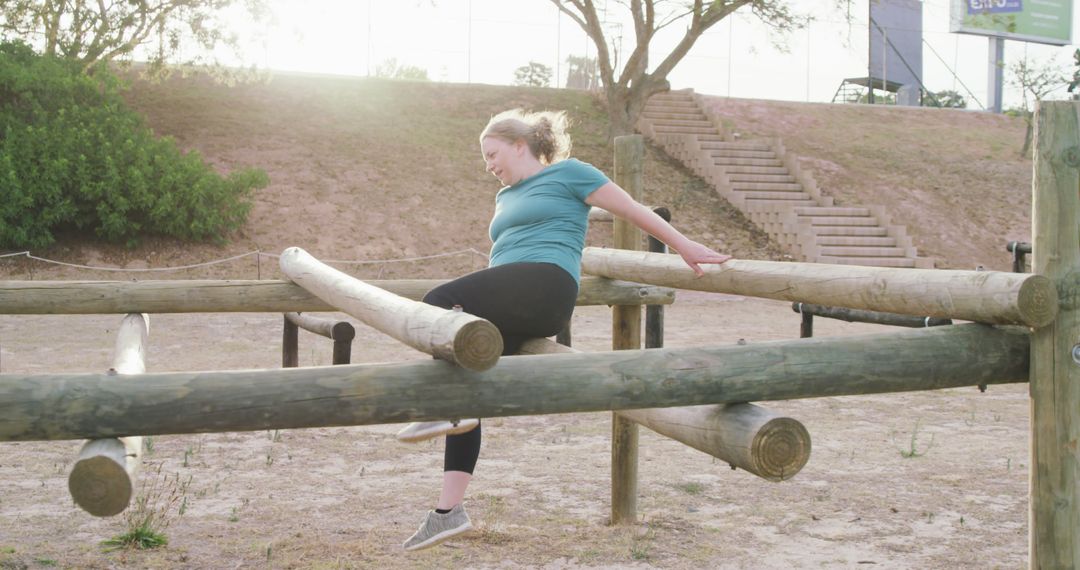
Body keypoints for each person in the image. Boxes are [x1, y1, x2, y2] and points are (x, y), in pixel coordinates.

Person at [397, 108, 732, 551]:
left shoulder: (571, 174)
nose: (488, 165)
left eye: (492, 154)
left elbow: (632, 210)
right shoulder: (504, 197)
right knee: (465, 379)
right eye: (484, 160)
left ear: (520, 145)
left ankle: (452, 409)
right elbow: (504, 259)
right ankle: (448, 513)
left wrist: (684, 247)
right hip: (514, 296)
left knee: (435, 303)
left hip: (547, 285)